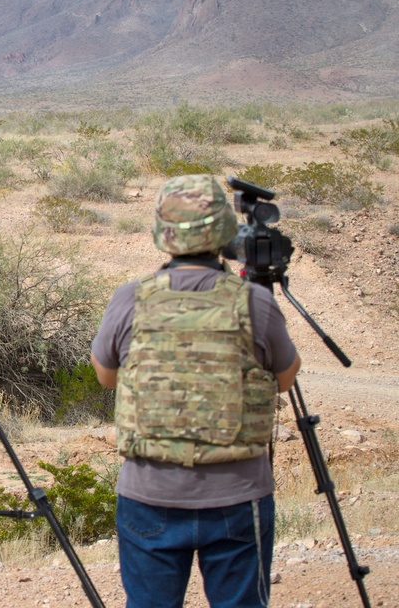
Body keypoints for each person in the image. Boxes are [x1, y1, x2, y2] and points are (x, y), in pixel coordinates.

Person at [90, 174, 302, 608]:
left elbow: (106, 376)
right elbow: (285, 378)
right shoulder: (254, 303)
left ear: (162, 234)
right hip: (237, 494)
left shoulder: (130, 298)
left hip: (149, 493)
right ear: (225, 232)